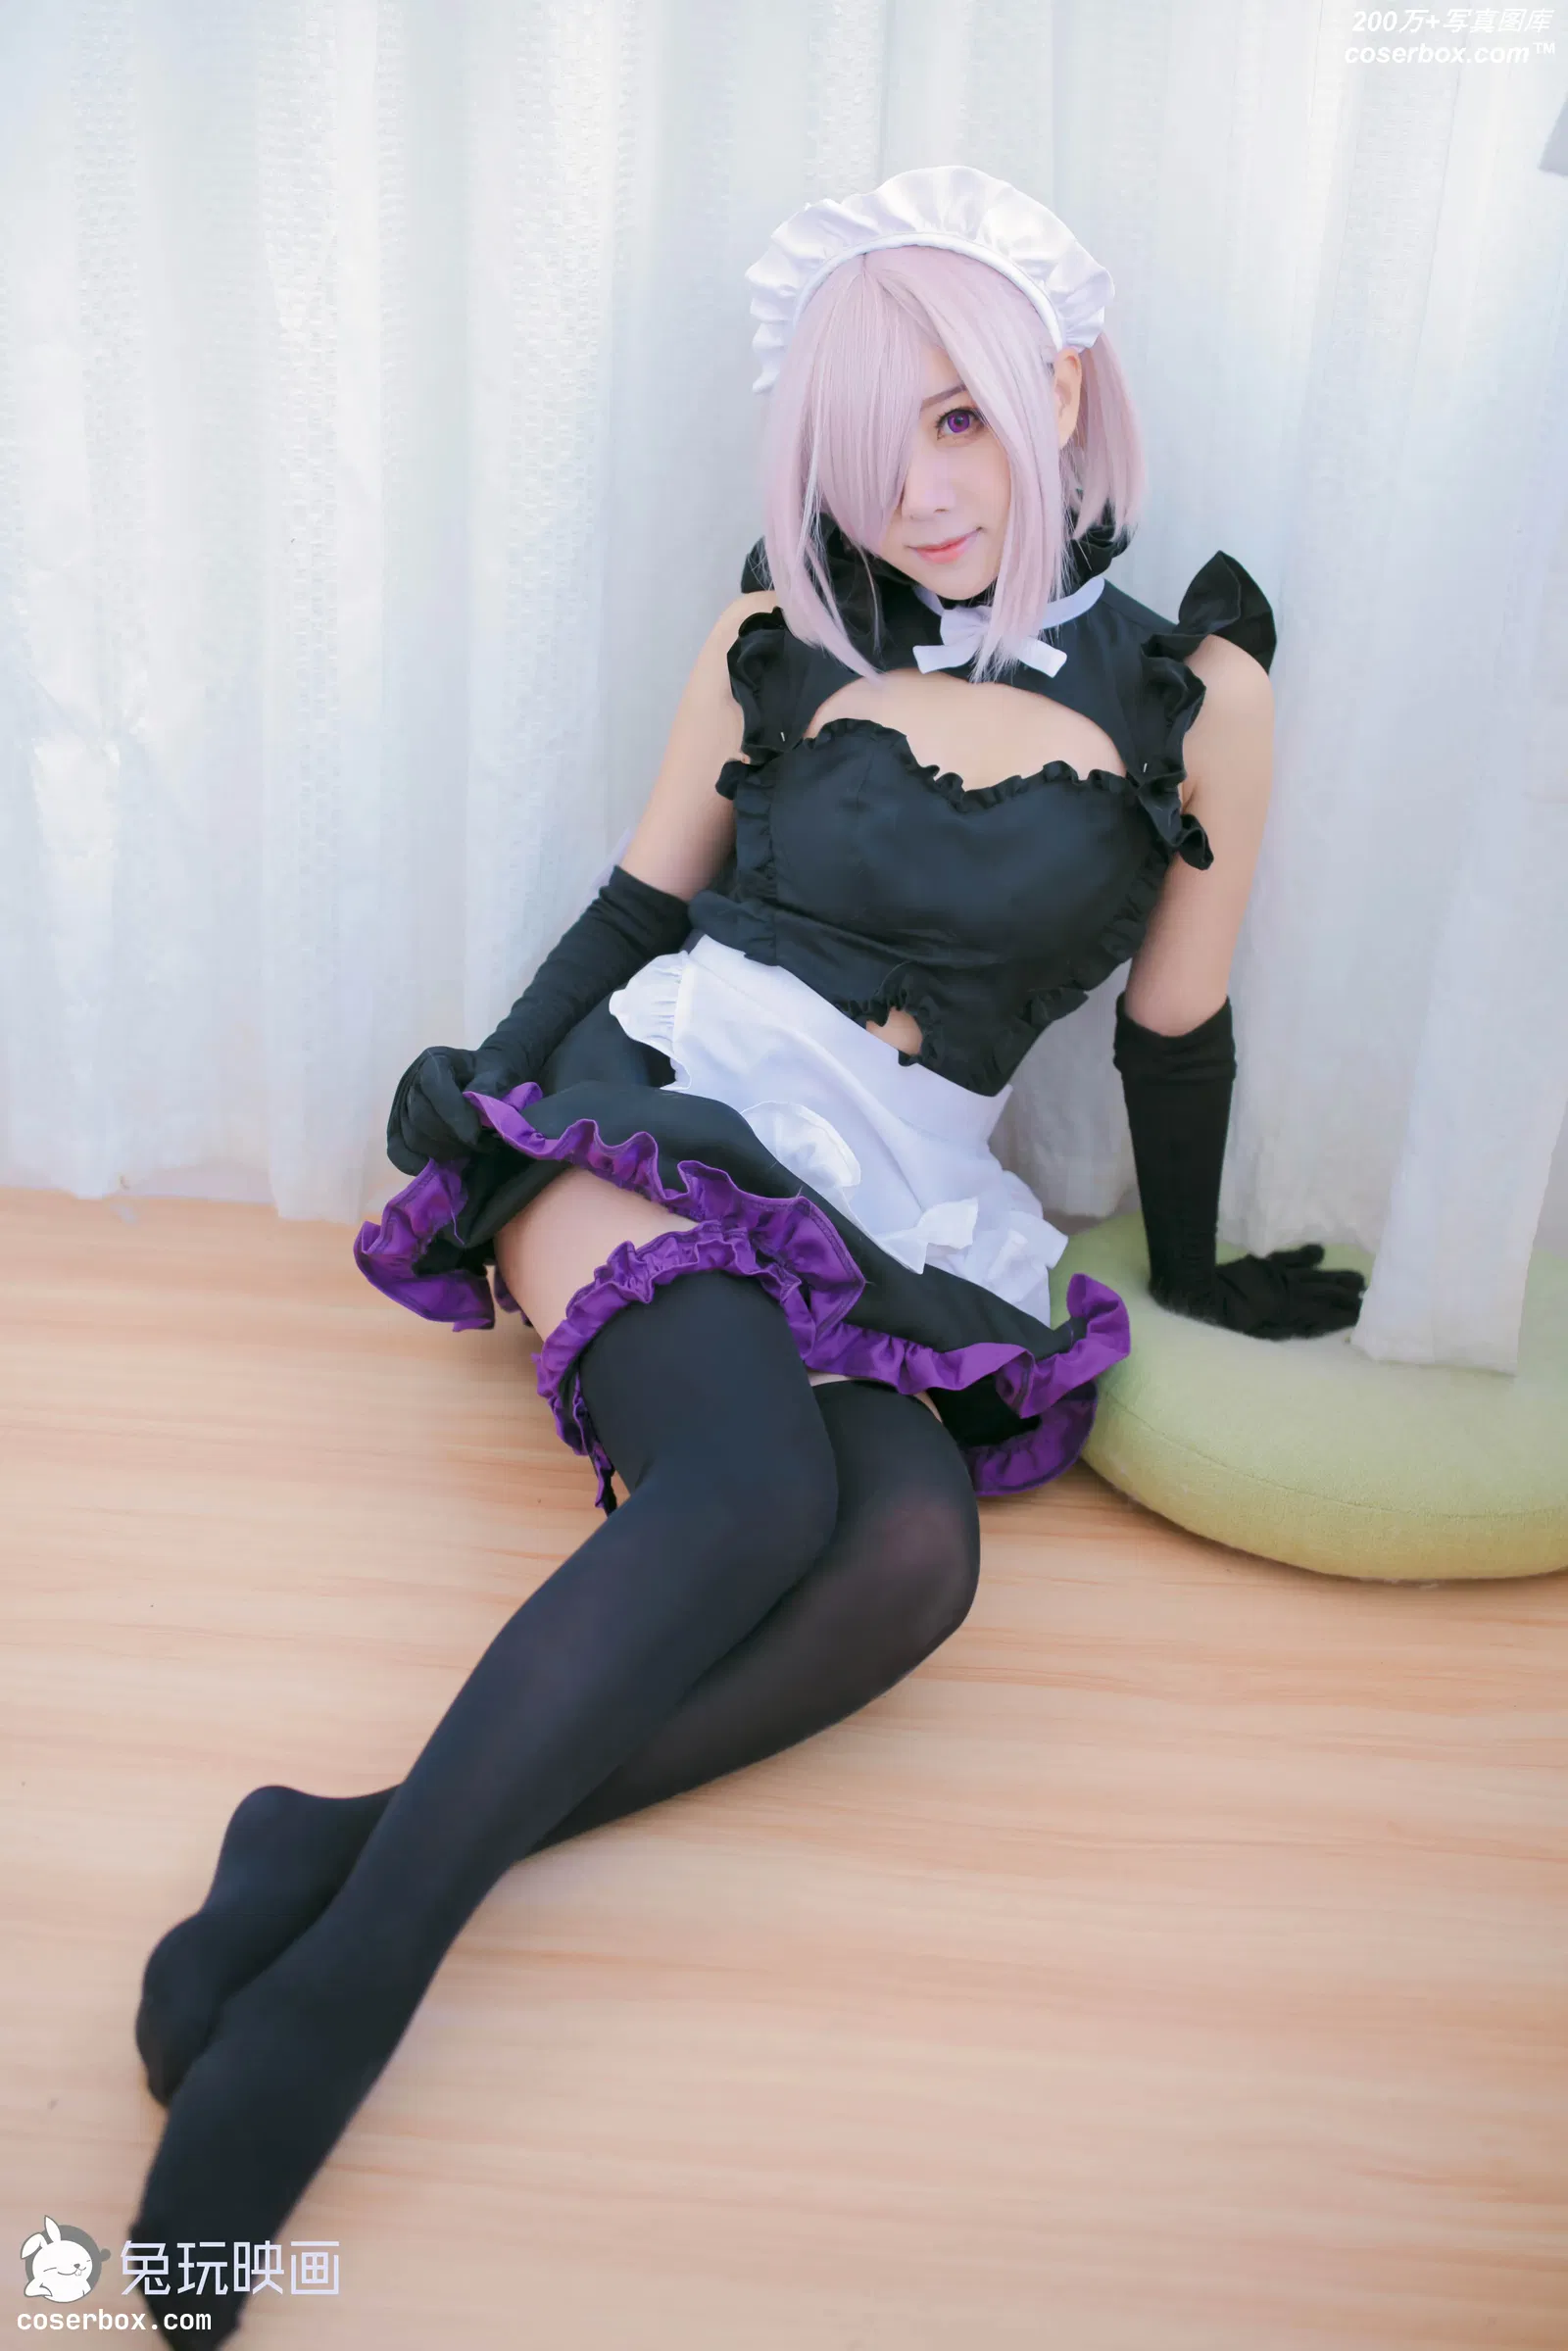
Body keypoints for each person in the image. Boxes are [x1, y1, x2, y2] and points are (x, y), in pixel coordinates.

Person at [125, 166, 1363, 2336]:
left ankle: (329, 1837)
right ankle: (342, 1991)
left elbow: (1177, 1026)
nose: (916, 491)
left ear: (1064, 386)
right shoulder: (778, 629)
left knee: (912, 1561)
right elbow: (639, 903)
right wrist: (488, 1085)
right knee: (748, 1486)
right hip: (665, 1083)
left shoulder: (1198, 691)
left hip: (899, 1184)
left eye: (960, 421)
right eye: (868, 446)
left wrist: (1199, 1269)